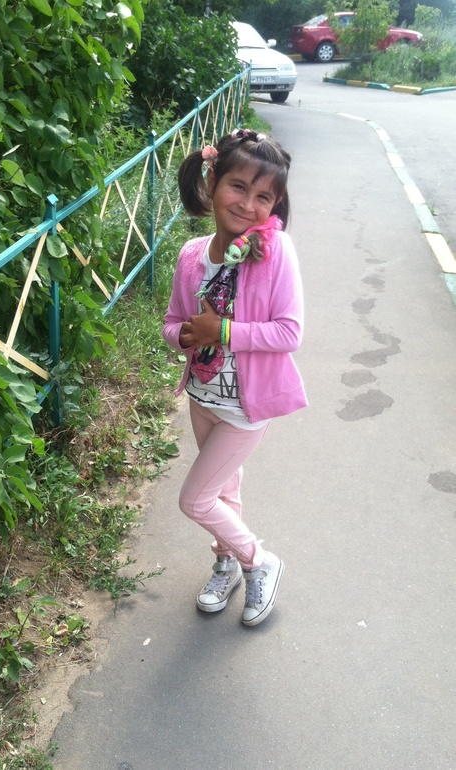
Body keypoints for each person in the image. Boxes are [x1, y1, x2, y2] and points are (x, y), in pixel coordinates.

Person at [162, 127, 307, 627]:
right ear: (212, 181)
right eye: (238, 186)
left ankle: (258, 561)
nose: (248, 204)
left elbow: (289, 332)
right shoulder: (191, 254)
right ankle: (226, 564)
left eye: (263, 196)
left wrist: (221, 330)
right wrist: (185, 336)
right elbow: (172, 322)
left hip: (246, 407)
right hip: (202, 398)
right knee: (223, 491)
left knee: (195, 498)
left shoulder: (275, 250)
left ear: (275, 204)